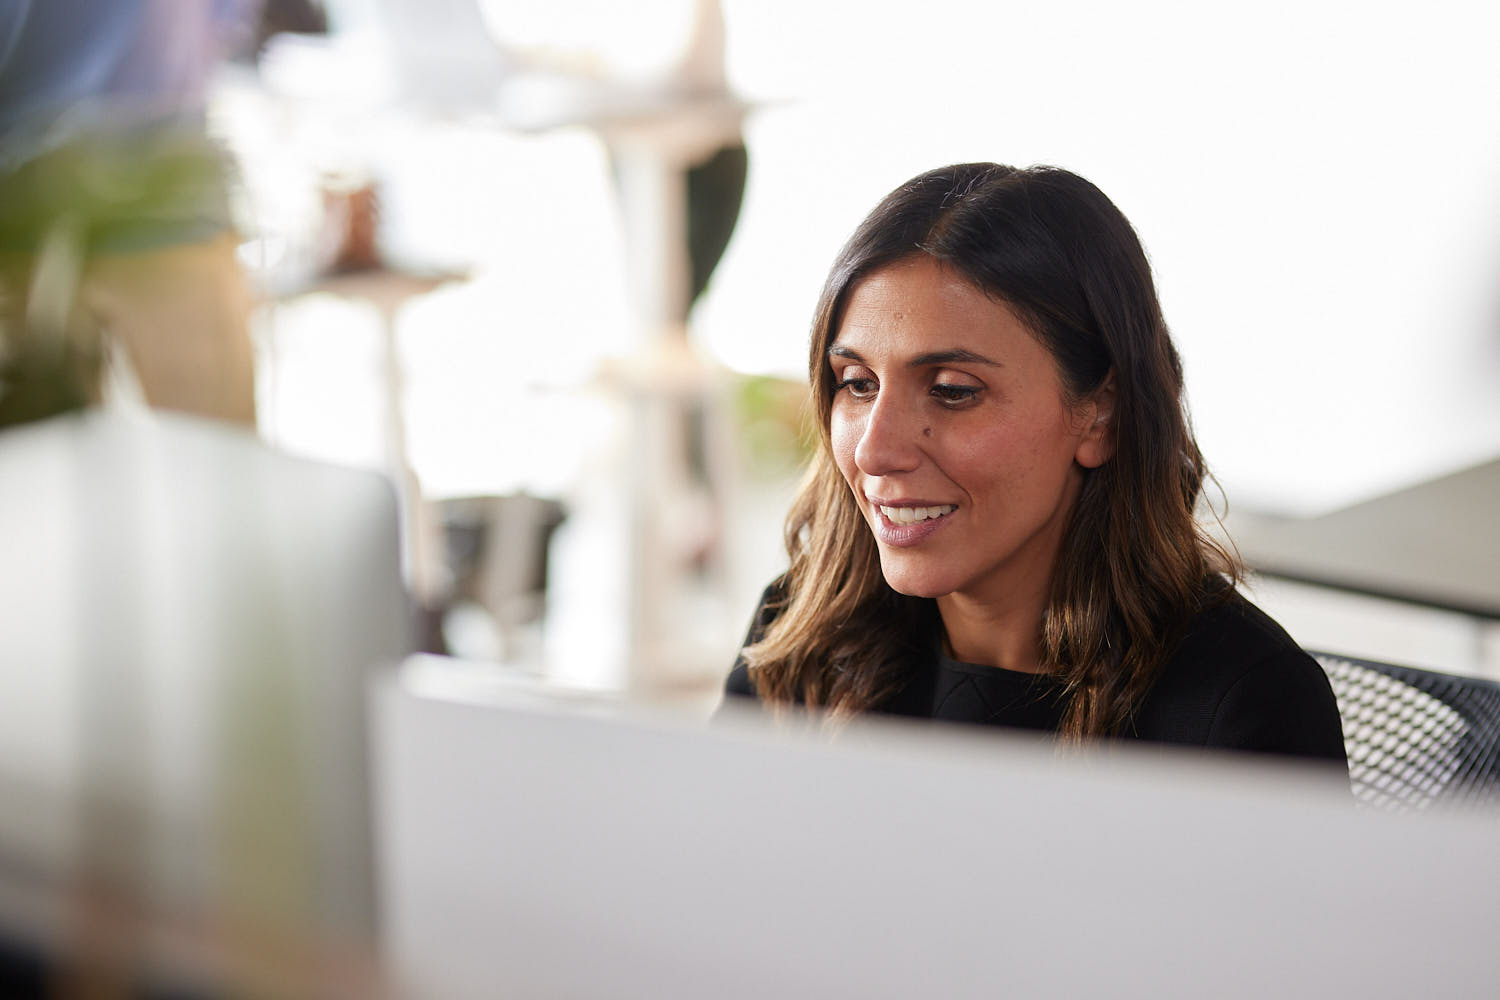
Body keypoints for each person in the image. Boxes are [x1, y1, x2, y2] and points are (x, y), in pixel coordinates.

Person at [723, 162, 1347, 764]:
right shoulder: (802, 639)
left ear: (1101, 416)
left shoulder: (1241, 707)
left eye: (953, 390)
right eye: (857, 383)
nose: (874, 450)